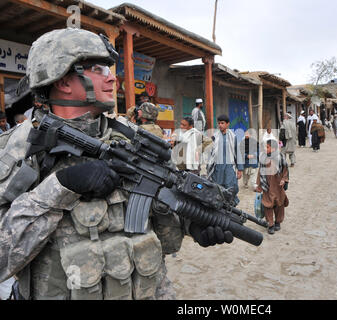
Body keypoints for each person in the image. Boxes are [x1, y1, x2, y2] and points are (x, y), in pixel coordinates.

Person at [0, 28, 232, 301]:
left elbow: (158, 227)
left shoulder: (131, 138)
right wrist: (59, 187)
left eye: (110, 68)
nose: (113, 78)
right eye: (98, 69)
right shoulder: (20, 148)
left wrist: (193, 225)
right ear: (63, 80)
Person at [207, 114, 244, 205]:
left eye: (222, 123)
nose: (220, 125)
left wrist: (240, 169)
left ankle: (230, 208)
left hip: (229, 167)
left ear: (228, 124)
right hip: (217, 168)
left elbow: (237, 152)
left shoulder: (233, 137)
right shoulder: (214, 137)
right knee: (217, 188)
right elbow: (211, 153)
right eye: (219, 123)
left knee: (231, 188)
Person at [255, 139, 289, 234]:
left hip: (278, 186)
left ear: (273, 148)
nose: (265, 149)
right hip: (267, 186)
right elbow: (260, 172)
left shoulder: (280, 157)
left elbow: (285, 170)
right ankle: (270, 224)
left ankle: (278, 222)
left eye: (267, 147)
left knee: (279, 204)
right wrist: (259, 185)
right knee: (267, 205)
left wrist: (284, 180)